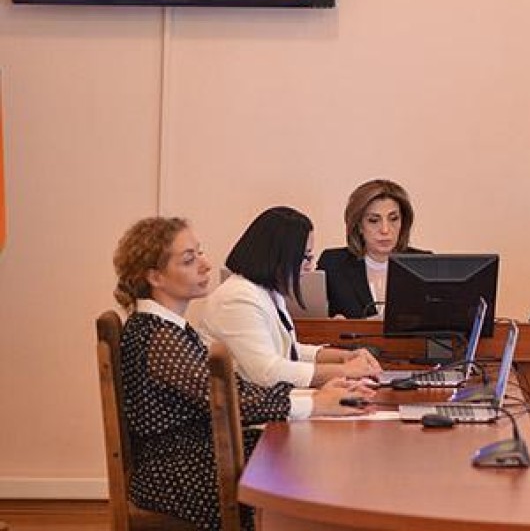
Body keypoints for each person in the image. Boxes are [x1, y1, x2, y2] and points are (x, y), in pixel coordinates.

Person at [113, 217, 371, 531]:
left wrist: (318, 398)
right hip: (175, 475)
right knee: (300, 469)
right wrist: (317, 403)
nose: (206, 265)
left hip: (190, 458)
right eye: (189, 260)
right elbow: (228, 399)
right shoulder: (159, 338)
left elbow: (234, 390)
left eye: (200, 253)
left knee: (302, 456)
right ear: (155, 276)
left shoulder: (164, 328)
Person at [188, 206, 383, 388]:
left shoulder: (267, 293)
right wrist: (344, 371)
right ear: (279, 256)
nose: (310, 267)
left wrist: (344, 357)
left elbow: (289, 350)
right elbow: (268, 372)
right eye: (305, 257)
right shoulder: (237, 299)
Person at [318, 179, 429, 319]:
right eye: (374, 220)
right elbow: (314, 320)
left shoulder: (423, 264)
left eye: (394, 219)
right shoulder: (333, 264)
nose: (385, 230)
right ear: (359, 225)